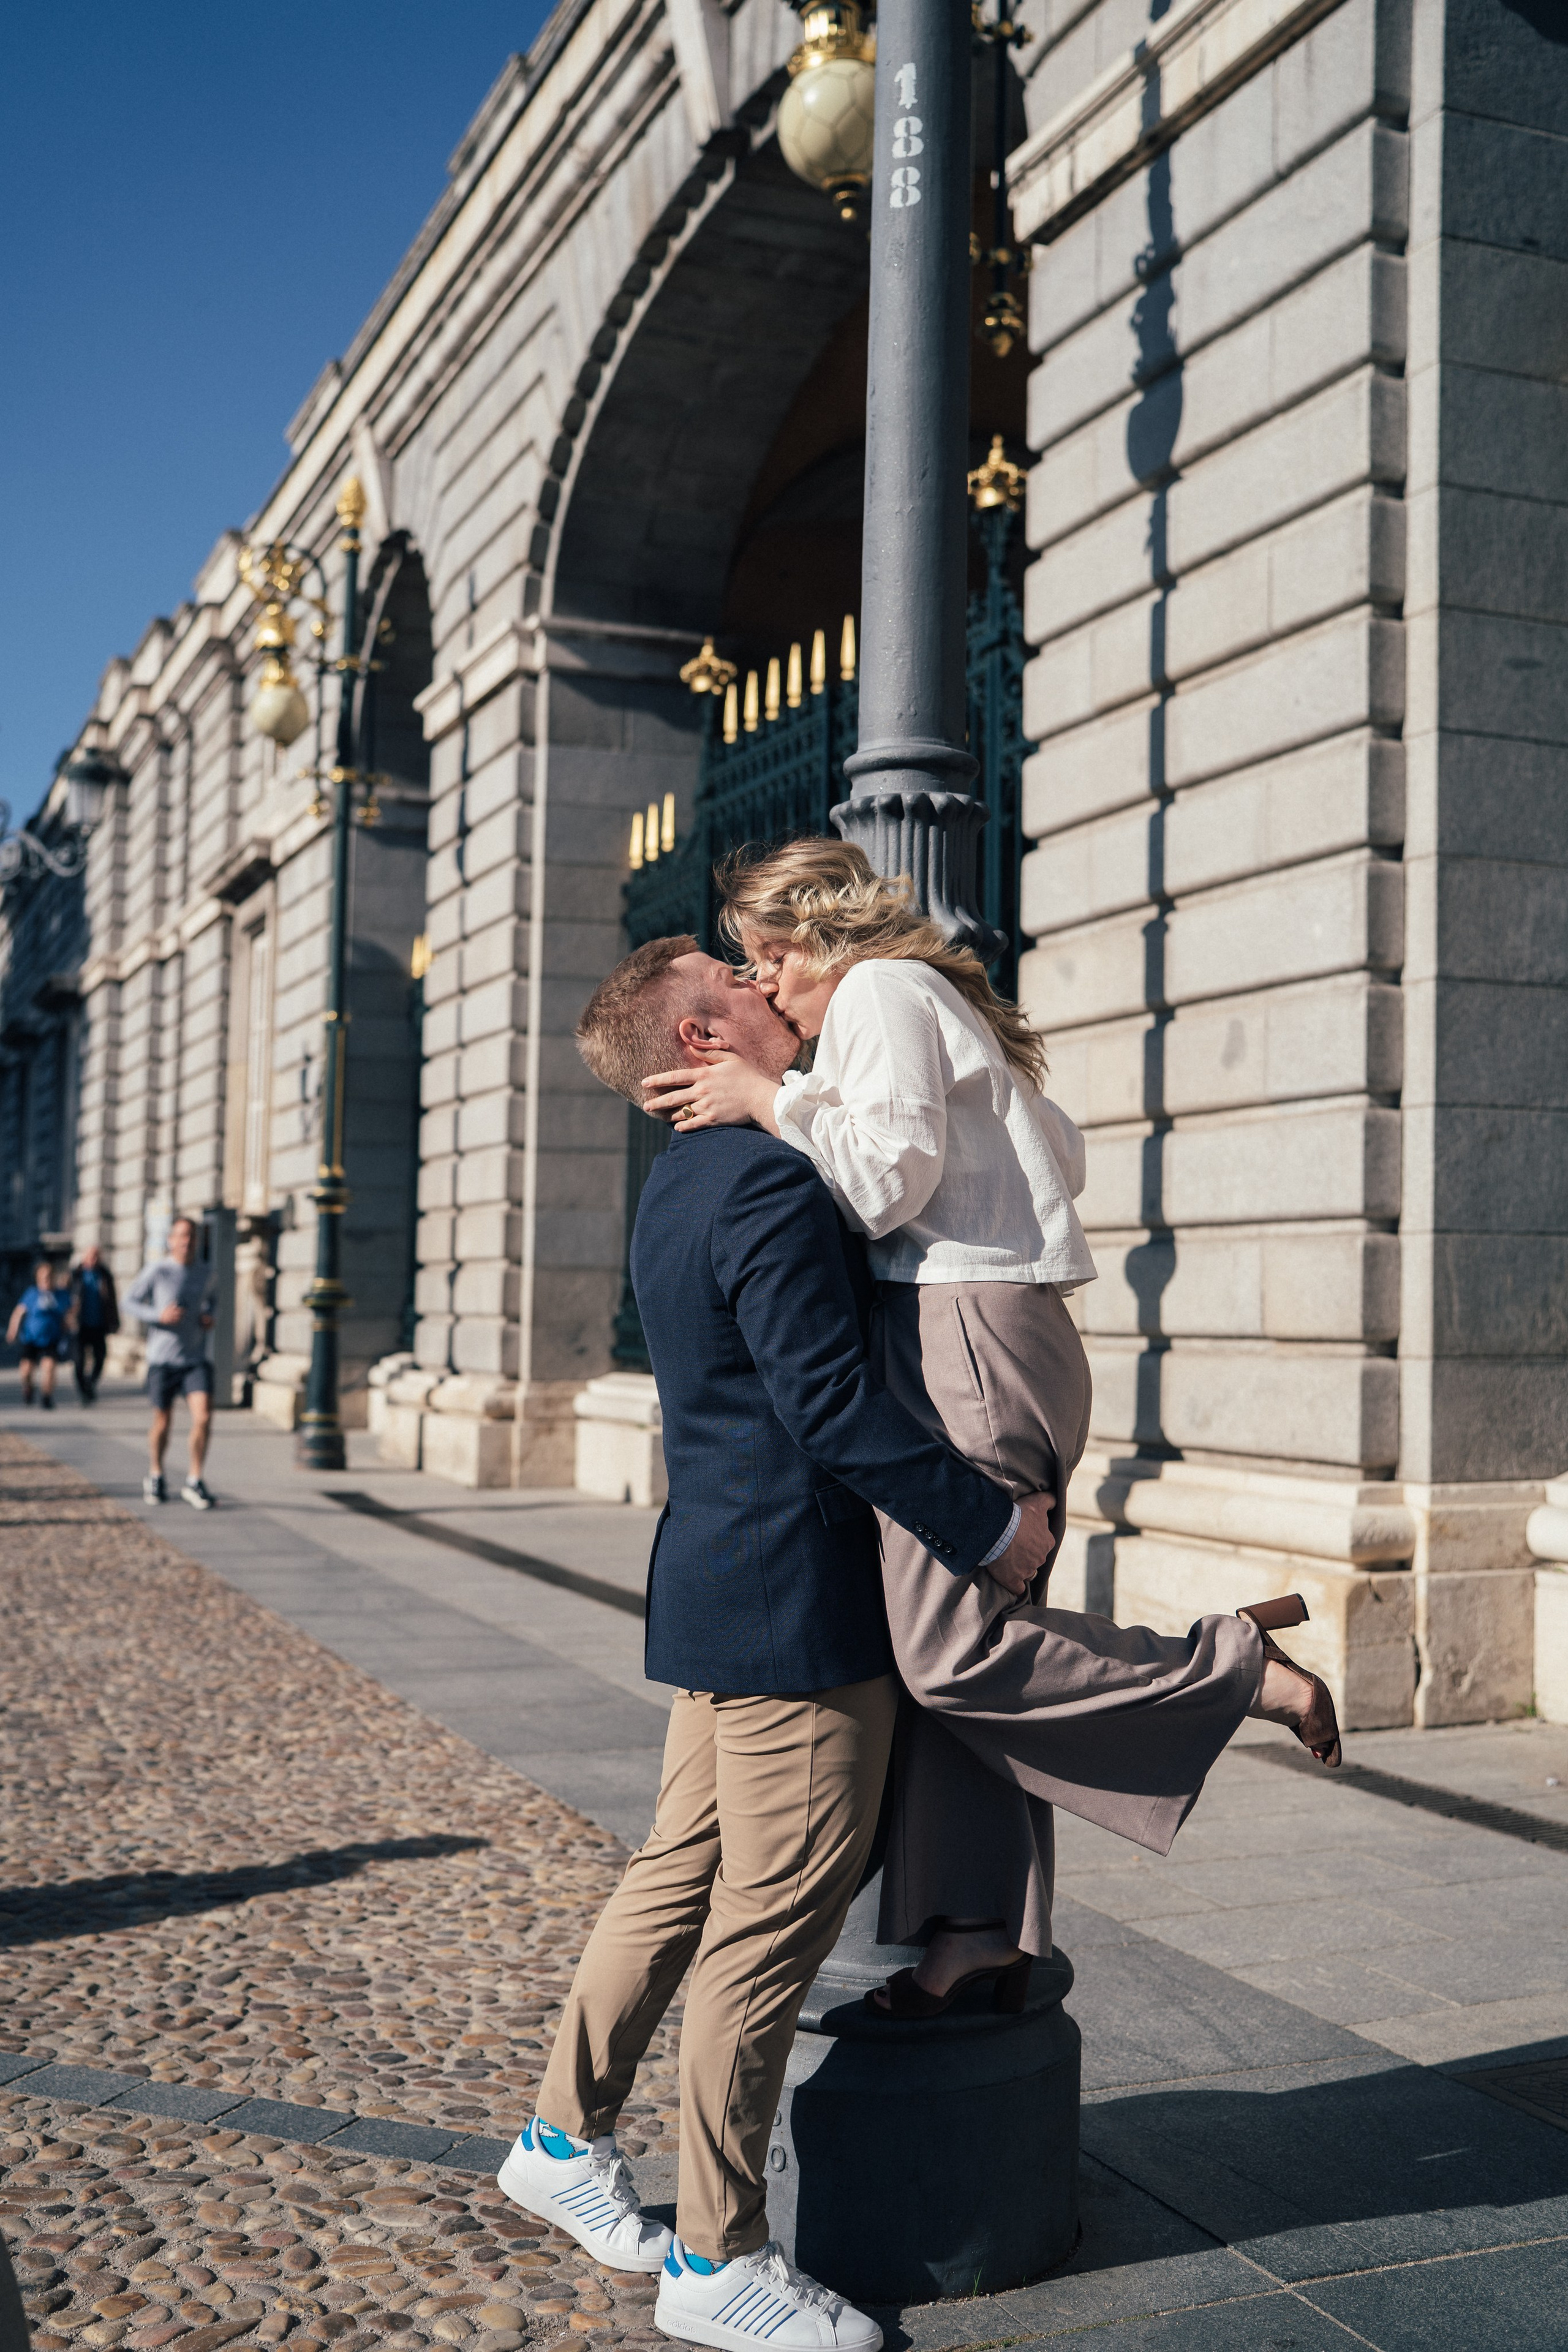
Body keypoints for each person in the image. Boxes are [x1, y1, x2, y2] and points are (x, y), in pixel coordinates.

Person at [641, 840, 1341, 2019]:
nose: (763, 987)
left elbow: (883, 1186)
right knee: (958, 1642)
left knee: (948, 1653)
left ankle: (1236, 1672)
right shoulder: (919, 1002)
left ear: (819, 939)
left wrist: (769, 1102)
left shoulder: (880, 991)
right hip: (982, 1330)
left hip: (967, 1330)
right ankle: (976, 1930)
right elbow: (1049, 1151)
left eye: (766, 960)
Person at [496, 935, 1057, 2352]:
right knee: (767, 1926)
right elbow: (829, 1405)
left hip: (719, 1588)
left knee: (676, 1877)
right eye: (732, 980)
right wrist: (985, 1528)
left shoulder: (685, 1174)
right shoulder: (762, 1175)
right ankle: (716, 2256)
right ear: (699, 1036)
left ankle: (560, 2140)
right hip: (791, 1608)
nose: (766, 983)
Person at [124, 1215, 218, 1510]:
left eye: (191, 1236)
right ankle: (156, 1474)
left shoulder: (206, 1272)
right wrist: (158, 1315)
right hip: (163, 1359)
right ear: (171, 1240)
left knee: (203, 1417)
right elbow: (129, 1302)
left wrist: (209, 1316)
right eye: (181, 1236)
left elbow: (213, 1299)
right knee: (163, 1422)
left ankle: (194, 1480)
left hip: (194, 1358)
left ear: (197, 1241)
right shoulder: (158, 1270)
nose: (186, 1242)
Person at [7, 1262, 74, 1409]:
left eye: (49, 1277)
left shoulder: (61, 1295)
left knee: (49, 1367)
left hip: (51, 1338)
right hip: (31, 1337)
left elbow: (69, 1313)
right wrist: (13, 1330)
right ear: (38, 1279)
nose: (47, 1280)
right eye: (43, 1277)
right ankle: (28, 1388)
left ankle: (46, 1396)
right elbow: (18, 1313)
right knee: (26, 1370)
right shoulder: (32, 1294)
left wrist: (70, 1325)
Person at [69, 1244, 119, 1404]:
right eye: (91, 1256)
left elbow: (112, 1301)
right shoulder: (76, 1275)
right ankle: (84, 1391)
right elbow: (66, 1298)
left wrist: (115, 1321)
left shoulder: (105, 1275)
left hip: (99, 1324)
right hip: (80, 1325)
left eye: (97, 1256)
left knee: (100, 1358)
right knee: (79, 1362)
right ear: (84, 1257)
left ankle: (90, 1384)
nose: (94, 1259)